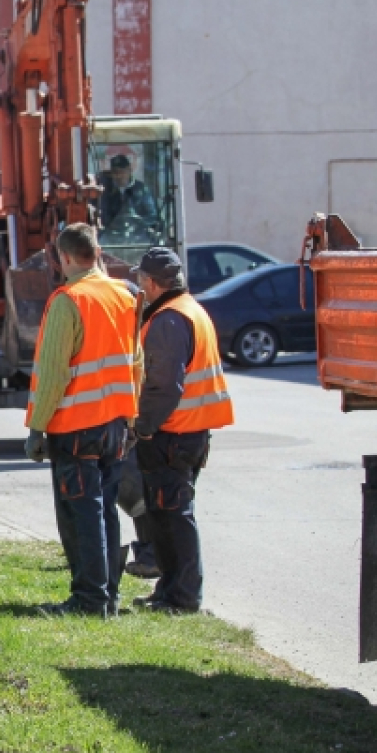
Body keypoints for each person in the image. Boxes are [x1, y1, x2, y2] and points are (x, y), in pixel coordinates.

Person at [24, 223, 141, 617]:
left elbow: (55, 373)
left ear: (65, 257)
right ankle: (107, 595)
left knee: (82, 511)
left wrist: (37, 427)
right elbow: (137, 362)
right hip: (115, 424)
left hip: (75, 425)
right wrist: (131, 414)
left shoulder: (67, 300)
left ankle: (89, 599)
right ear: (97, 252)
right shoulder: (124, 295)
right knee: (105, 508)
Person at [130, 247, 235, 613]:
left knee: (174, 518)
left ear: (153, 283)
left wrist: (142, 427)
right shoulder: (189, 310)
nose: (138, 286)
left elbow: (163, 386)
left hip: (171, 434)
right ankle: (169, 592)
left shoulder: (168, 320)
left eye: (140, 279)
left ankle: (183, 597)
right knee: (167, 516)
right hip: (188, 432)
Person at [99, 154, 160, 240]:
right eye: (116, 172)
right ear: (111, 174)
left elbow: (152, 215)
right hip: (111, 237)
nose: (120, 176)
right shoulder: (105, 191)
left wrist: (139, 223)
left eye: (123, 171)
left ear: (130, 170)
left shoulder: (142, 190)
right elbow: (102, 215)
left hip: (138, 237)